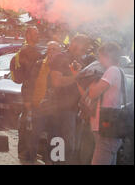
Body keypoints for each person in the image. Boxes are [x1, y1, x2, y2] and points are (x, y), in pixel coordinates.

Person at [50, 34, 91, 164]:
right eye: (81, 47)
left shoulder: (81, 61)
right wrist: (77, 76)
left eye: (84, 49)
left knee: (73, 147)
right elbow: (56, 81)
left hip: (77, 109)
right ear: (73, 43)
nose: (82, 51)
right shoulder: (60, 57)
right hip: (61, 108)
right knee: (61, 144)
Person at [26, 41, 62, 163]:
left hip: (56, 108)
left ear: (59, 52)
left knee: (54, 135)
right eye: (49, 49)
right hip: (39, 104)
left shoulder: (62, 66)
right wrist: (28, 100)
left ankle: (51, 160)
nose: (51, 52)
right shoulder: (39, 64)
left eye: (54, 49)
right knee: (35, 133)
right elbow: (29, 83)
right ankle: (30, 158)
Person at [88, 42, 124, 165]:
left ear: (107, 56)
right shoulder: (118, 71)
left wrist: (91, 80)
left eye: (100, 56)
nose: (99, 60)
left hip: (106, 129)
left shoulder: (112, 70)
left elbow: (93, 93)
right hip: (109, 129)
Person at [17, 26, 43, 162]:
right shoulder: (26, 51)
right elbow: (28, 76)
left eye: (38, 33)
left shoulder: (33, 50)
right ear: (28, 36)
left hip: (34, 92)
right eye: (35, 33)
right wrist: (27, 97)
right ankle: (24, 152)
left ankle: (30, 151)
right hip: (29, 91)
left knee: (31, 122)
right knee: (27, 122)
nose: (38, 35)